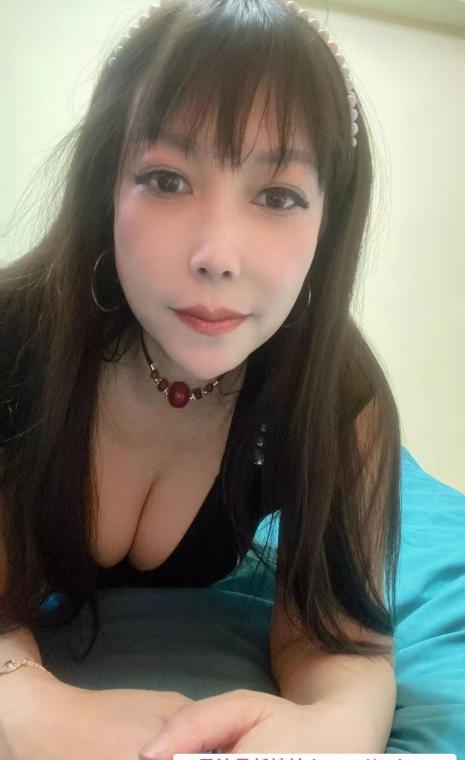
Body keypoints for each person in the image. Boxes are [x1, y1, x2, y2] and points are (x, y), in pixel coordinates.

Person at [0, 0, 401, 757]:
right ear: (106, 187)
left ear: (329, 223)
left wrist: (332, 725)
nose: (217, 254)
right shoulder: (15, 341)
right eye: (166, 179)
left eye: (278, 196)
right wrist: (21, 703)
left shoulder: (341, 400)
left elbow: (340, 638)